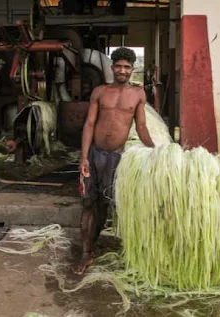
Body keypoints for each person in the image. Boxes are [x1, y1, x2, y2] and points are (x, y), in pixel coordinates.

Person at [74, 47, 155, 275]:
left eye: (126, 67)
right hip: (95, 155)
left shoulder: (138, 94)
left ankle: (94, 245)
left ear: (132, 69)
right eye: (118, 66)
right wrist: (84, 157)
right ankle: (85, 253)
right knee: (88, 203)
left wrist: (156, 150)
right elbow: (89, 124)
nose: (122, 70)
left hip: (117, 158)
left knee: (105, 204)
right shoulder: (100, 92)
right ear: (112, 68)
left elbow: (140, 126)